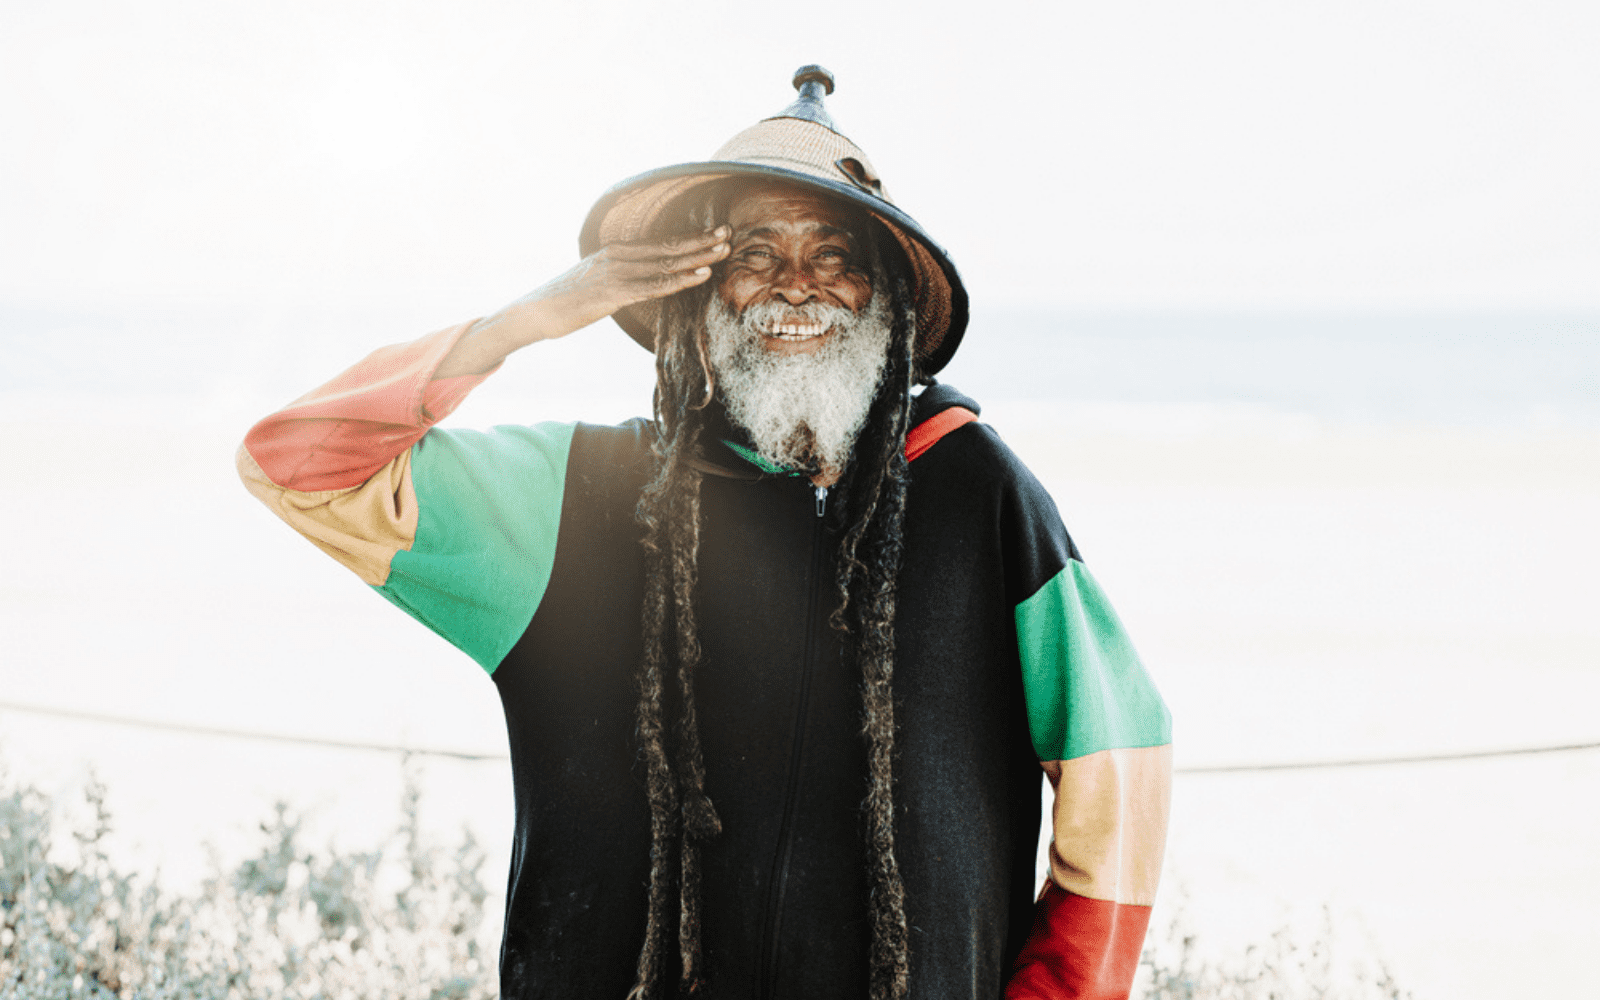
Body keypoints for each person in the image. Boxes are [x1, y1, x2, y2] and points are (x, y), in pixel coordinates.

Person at [239, 65, 1172, 1000]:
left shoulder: (977, 492)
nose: (795, 288)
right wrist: (527, 321)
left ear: (887, 296)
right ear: (695, 292)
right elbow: (297, 464)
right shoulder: (580, 497)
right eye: (753, 256)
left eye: (837, 257)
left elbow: (1119, 757)